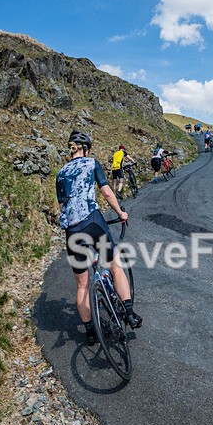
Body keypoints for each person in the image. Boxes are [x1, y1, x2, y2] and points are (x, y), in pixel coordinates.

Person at [55, 130, 142, 345]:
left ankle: (90, 332)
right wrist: (121, 213)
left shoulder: (60, 174)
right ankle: (129, 313)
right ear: (85, 149)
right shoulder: (91, 163)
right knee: (115, 266)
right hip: (93, 222)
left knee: (82, 285)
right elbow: (107, 192)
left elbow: (63, 207)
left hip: (72, 231)